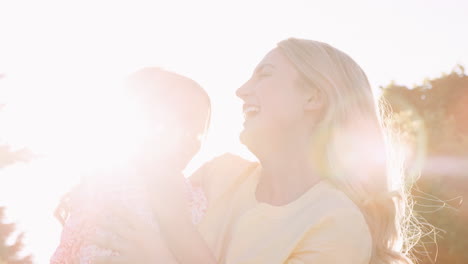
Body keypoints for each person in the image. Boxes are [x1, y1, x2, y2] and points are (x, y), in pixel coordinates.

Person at [93, 38, 420, 264]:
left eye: (264, 75)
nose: (240, 90)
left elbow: (156, 236)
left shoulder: (336, 222)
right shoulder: (218, 175)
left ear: (313, 98)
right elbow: (124, 218)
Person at [50, 67, 211, 264]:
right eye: (183, 121)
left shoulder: (100, 187)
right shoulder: (159, 185)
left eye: (199, 130)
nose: (192, 138)